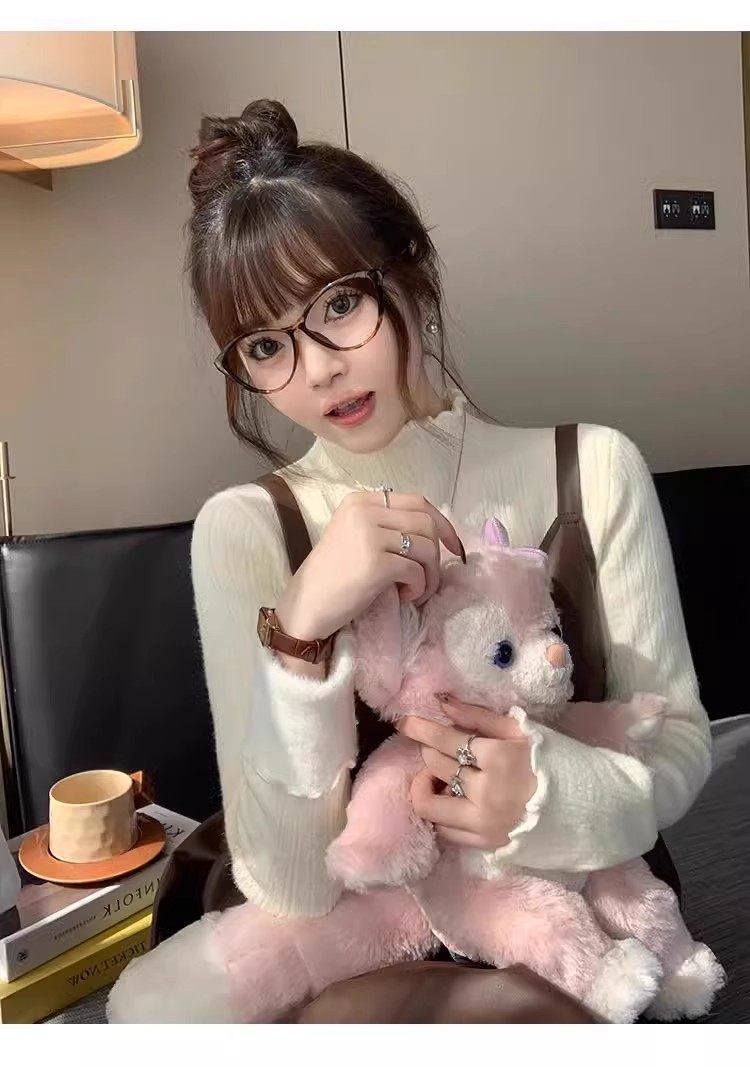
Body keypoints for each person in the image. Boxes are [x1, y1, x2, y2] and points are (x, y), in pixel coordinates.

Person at [106, 98, 712, 1023]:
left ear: (411, 271)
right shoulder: (246, 529)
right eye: (266, 344)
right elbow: (291, 882)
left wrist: (548, 795)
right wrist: (301, 633)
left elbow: (678, 743)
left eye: (340, 303)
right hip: (352, 969)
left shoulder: (593, 469)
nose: (318, 369)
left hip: (584, 933)